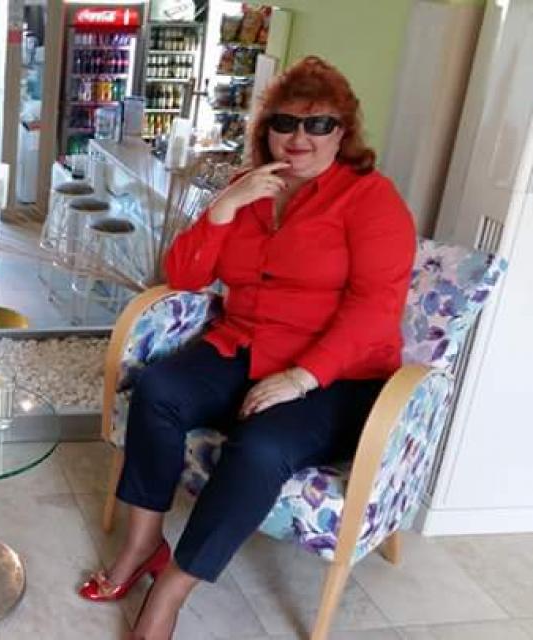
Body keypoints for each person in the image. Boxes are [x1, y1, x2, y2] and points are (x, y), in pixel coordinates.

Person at [78, 57, 417, 639]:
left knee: (260, 446)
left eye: (319, 124)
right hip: (244, 345)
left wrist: (303, 376)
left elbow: (375, 309)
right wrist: (224, 208)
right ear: (266, 129)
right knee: (158, 390)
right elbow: (185, 275)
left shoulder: (371, 200)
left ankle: (171, 589)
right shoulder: (251, 187)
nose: (299, 137)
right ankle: (142, 545)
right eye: (285, 122)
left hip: (335, 376)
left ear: (343, 132)